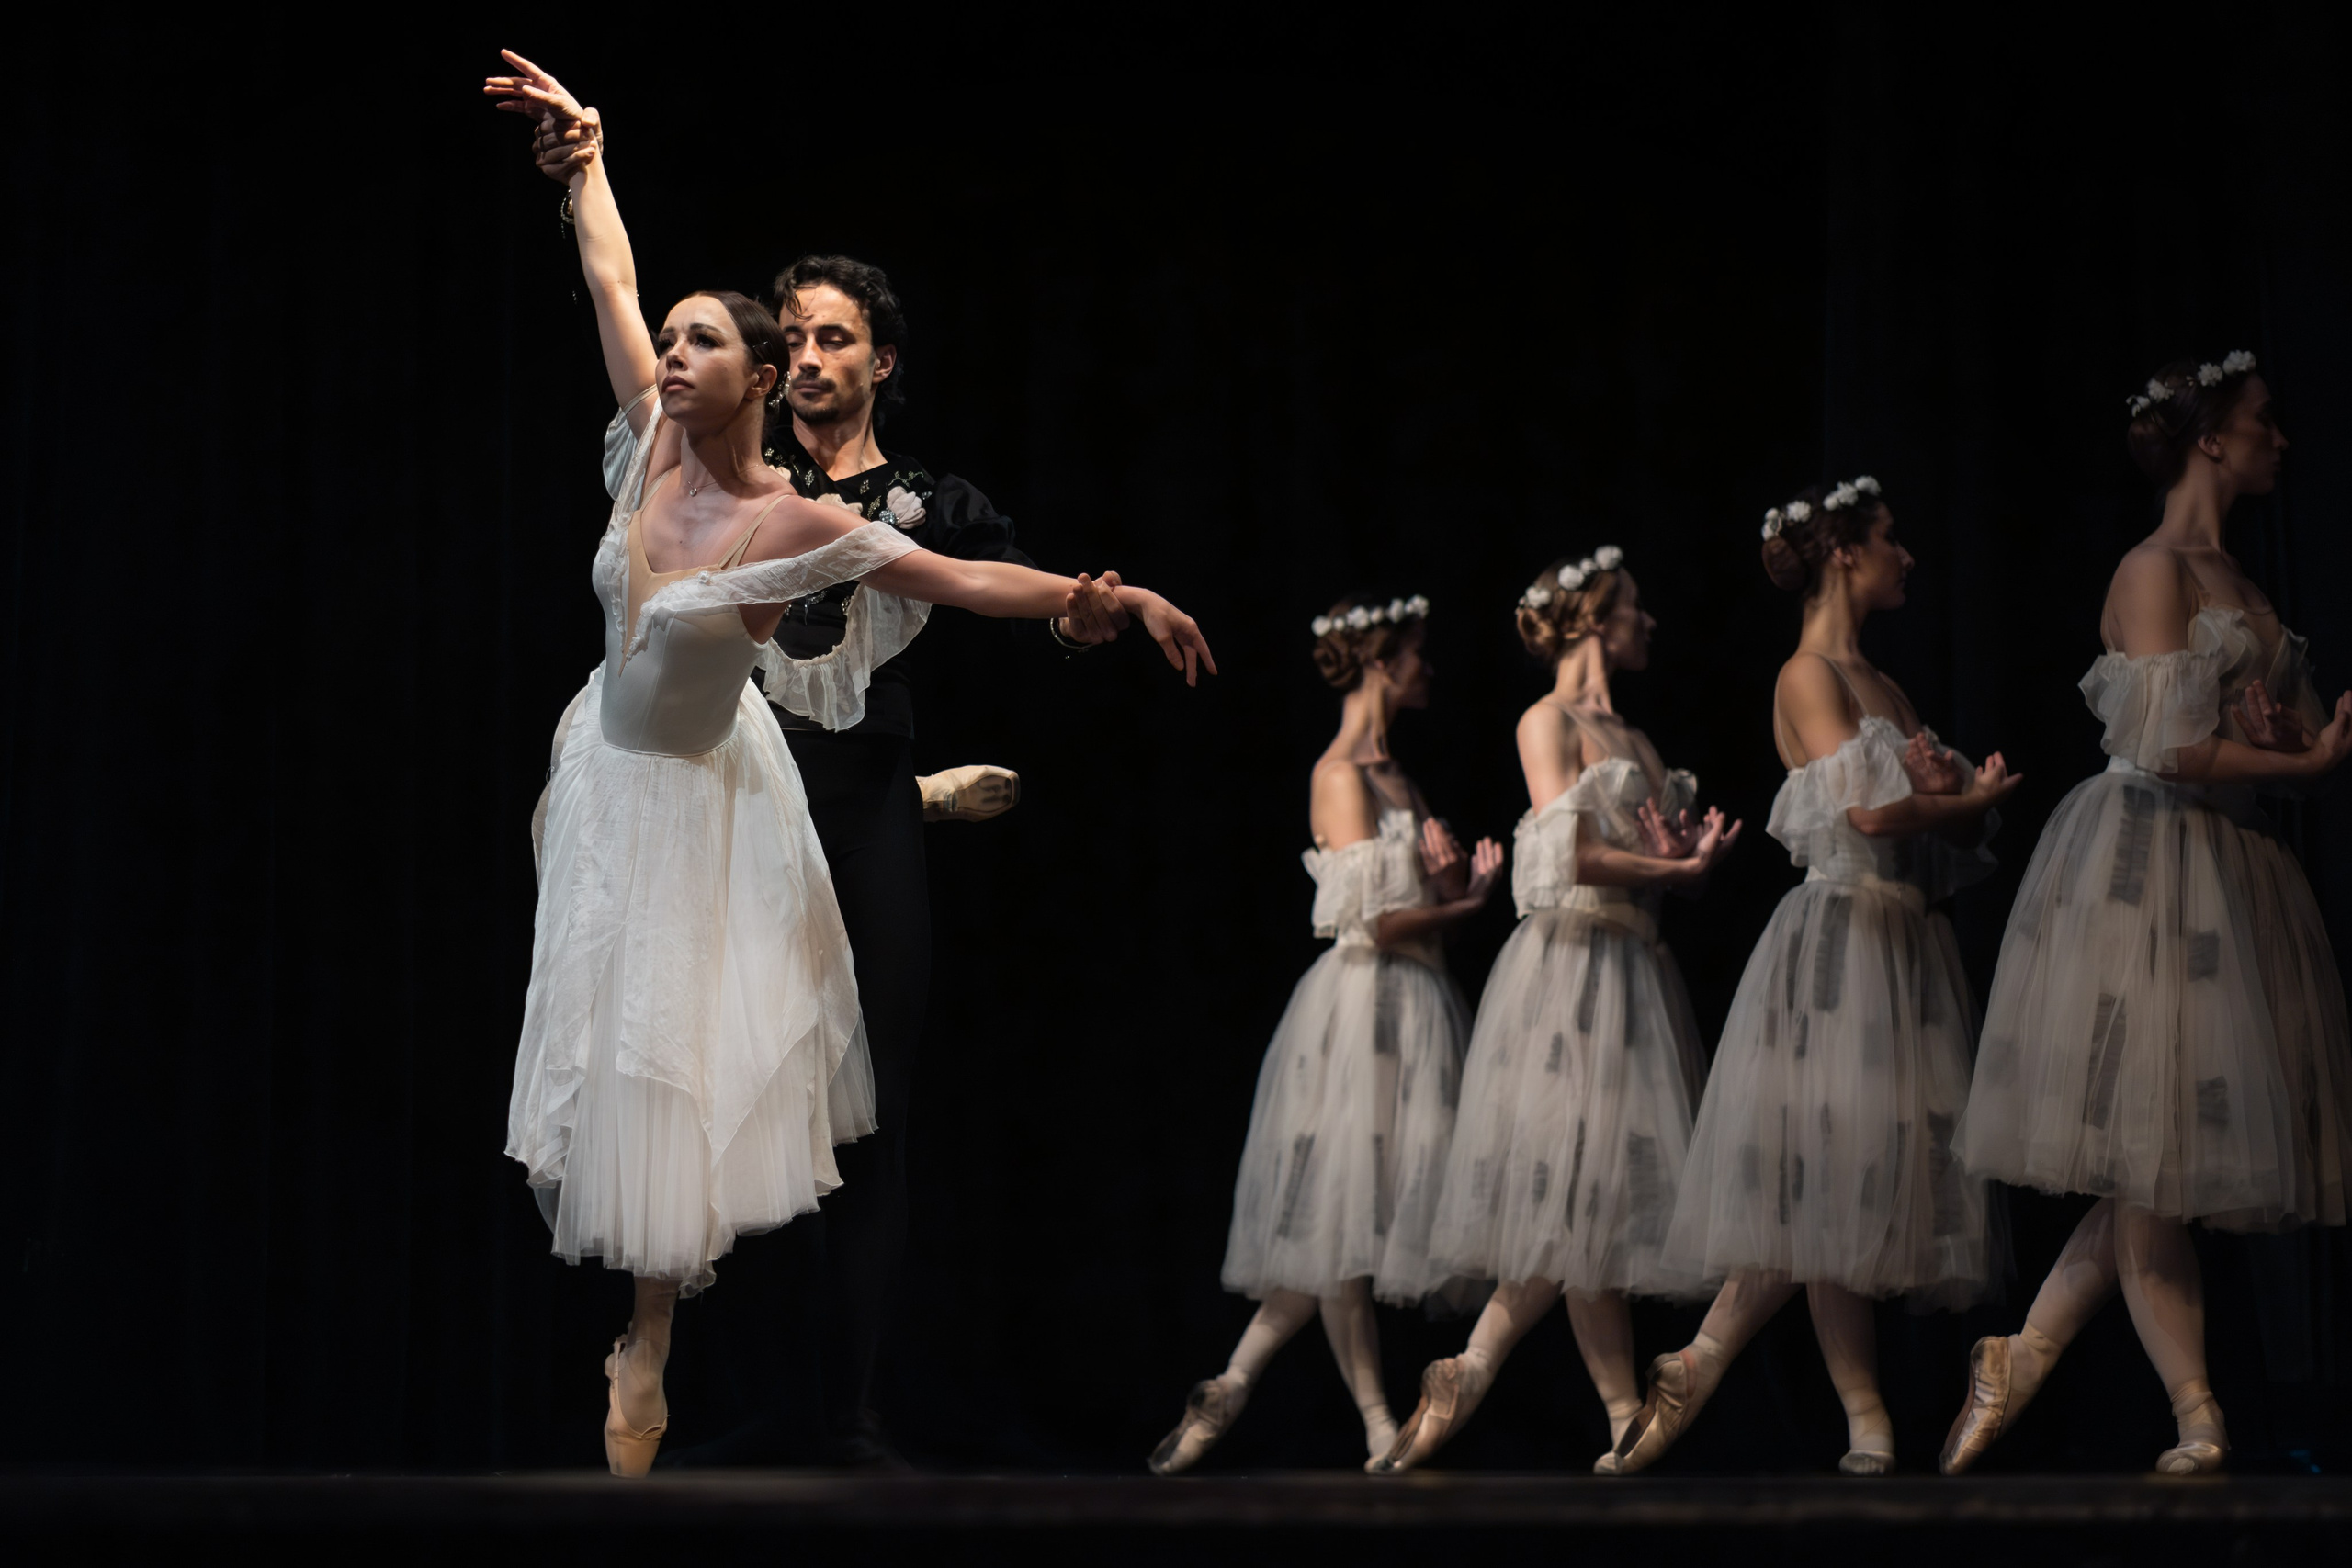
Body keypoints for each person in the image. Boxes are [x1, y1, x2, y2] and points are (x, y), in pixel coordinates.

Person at [488, 53, 1214, 1476]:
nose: (670, 355)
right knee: (617, 1049)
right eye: (678, 338)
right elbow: (612, 284)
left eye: (706, 343)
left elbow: (961, 576)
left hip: (714, 790)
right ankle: (652, 1333)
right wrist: (586, 163)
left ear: (769, 372)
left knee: (706, 1061)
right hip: (610, 767)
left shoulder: (795, 523)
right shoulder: (646, 452)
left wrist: (1109, 598)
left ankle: (700, 1356)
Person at [1944, 353, 2352, 1476]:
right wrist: (2286, 754)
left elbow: (2288, 748)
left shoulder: (2246, 581)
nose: (2280, 439)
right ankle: (2197, 1413)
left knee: (2153, 1156)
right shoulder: (2153, 568)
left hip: (2231, 867)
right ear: (2210, 437)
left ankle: (2022, 1354)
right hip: (2145, 866)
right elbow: (2168, 746)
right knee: (2148, 1149)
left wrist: (2293, 750)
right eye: (2263, 421)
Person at [1612, 479, 2020, 1476]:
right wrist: (1952, 797)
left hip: (1900, 943)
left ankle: (1842, 1416)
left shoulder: (1884, 683)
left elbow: (1932, 820)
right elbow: (1869, 819)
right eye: (1890, 539)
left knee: (1849, 1190)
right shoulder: (1806, 675)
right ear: (1844, 553)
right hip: (1839, 946)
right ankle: (1772, 1385)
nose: (1906, 557)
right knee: (1826, 1178)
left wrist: (1968, 801)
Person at [1375, 547, 1740, 1476]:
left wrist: (1683, 862)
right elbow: (1563, 853)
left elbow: (1663, 877)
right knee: (1575, 1189)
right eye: (1634, 608)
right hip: (1570, 968)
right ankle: (1495, 1371)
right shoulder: (1546, 721)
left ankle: (1613, 1416)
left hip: (1631, 962)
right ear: (1590, 621)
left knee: (1597, 1202)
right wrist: (1672, 865)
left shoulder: (1642, 741)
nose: (1647, 623)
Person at [1149, 595, 1503, 1475]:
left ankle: (1233, 1384)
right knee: (1341, 1221)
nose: (1427, 668)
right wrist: (1465, 898)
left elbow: (1421, 921)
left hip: (1414, 1008)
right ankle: (1376, 1424)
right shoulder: (1340, 773)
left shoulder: (1401, 778)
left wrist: (1454, 889)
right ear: (1382, 660)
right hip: (1360, 1012)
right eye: (1415, 652)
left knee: (1342, 1229)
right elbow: (1372, 923)